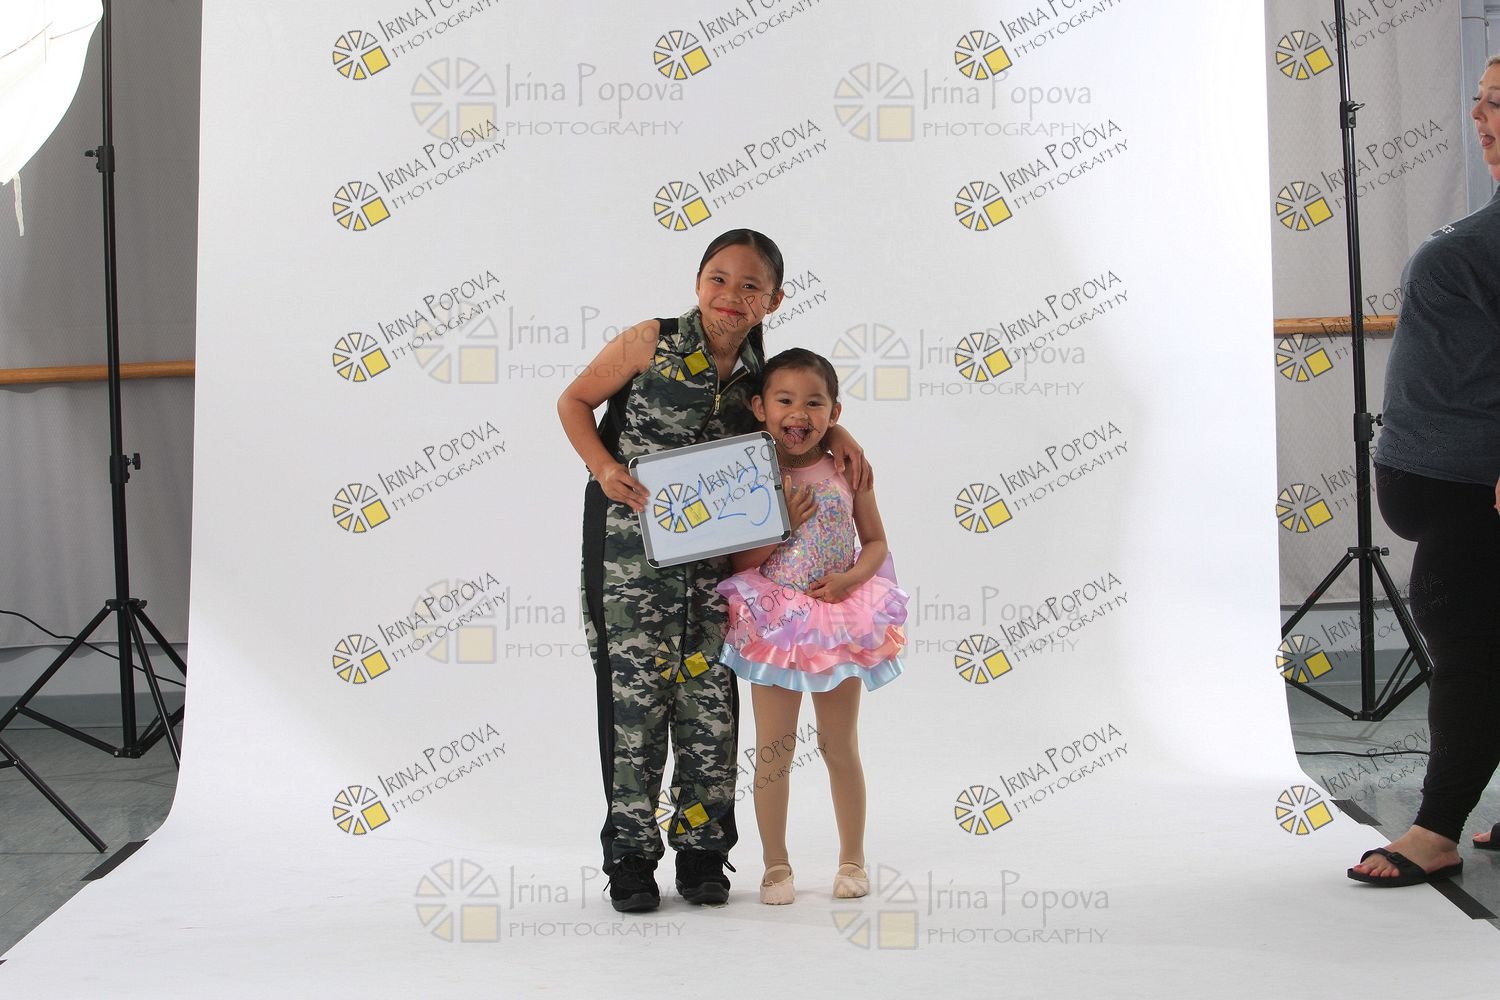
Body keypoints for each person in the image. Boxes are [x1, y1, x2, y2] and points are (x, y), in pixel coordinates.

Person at [558, 231, 868, 912]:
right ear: (698, 282)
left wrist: (839, 432)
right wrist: (603, 466)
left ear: (773, 300)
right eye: (718, 279)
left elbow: (798, 406)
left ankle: (701, 854)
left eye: (750, 286)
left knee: (710, 707)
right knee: (635, 704)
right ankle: (632, 858)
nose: (731, 296)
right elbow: (573, 402)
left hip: (718, 561)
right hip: (629, 552)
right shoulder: (651, 340)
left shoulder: (760, 369)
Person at [1346, 57, 1500, 887]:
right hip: (1443, 483)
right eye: (1479, 100)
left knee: (1468, 653)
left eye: (1498, 103)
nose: (1480, 117)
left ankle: (1435, 831)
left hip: (1476, 488)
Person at [715, 348, 906, 904]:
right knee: (773, 751)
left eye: (814, 403)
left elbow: (876, 541)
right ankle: (776, 865)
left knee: (838, 744)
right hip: (776, 623)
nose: (799, 413)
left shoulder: (848, 468)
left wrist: (852, 579)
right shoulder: (754, 475)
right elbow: (741, 563)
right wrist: (781, 524)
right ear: (760, 407)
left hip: (835, 623)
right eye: (785, 400)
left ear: (834, 412)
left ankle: (852, 859)